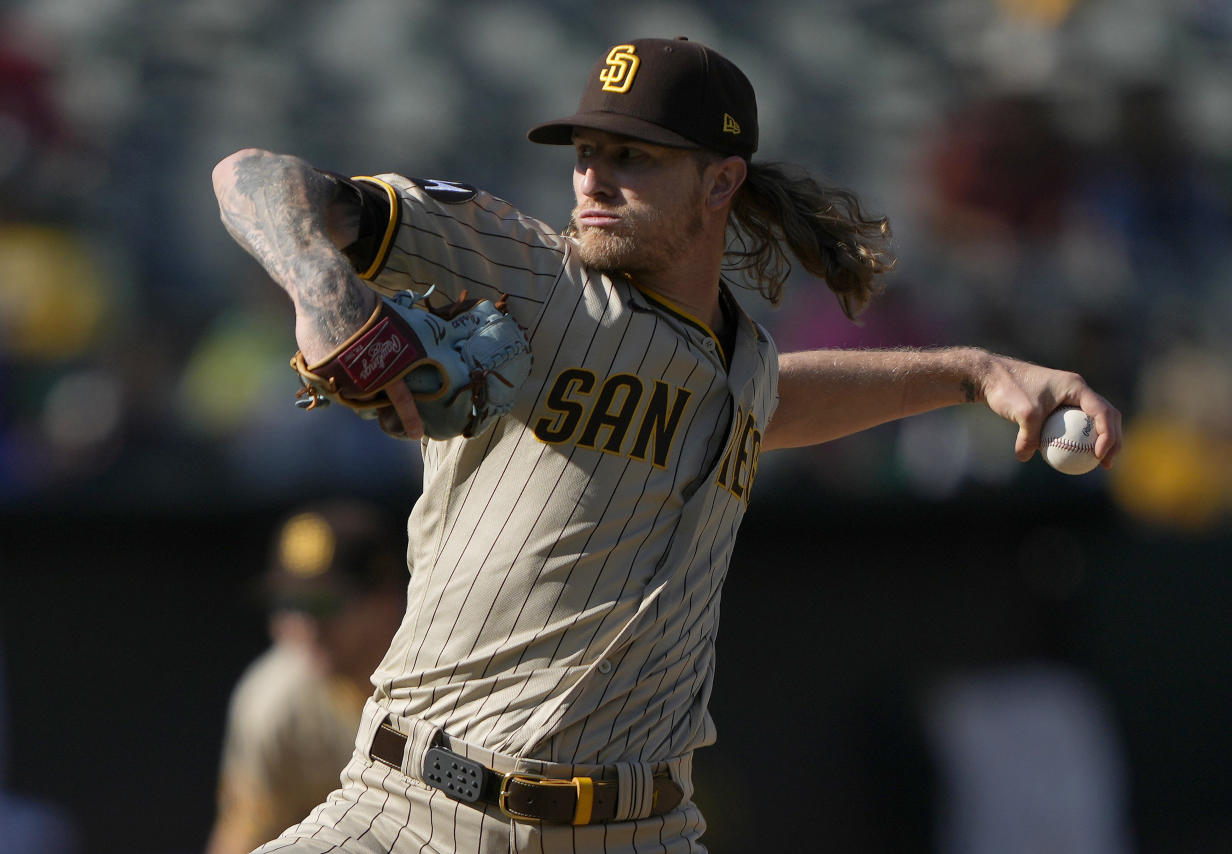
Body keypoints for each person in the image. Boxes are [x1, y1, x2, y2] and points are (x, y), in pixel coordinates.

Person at [211, 36, 1122, 854]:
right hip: (414, 815)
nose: (593, 180)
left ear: (721, 181)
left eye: (633, 158)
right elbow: (253, 178)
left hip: (640, 833)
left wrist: (972, 370)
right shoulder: (532, 274)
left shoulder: (740, 366)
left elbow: (768, 402)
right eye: (586, 154)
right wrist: (325, 289)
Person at [205, 500, 406, 854]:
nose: (304, 626)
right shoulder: (272, 700)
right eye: (289, 605)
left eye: (323, 606)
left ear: (385, 600)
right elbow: (245, 833)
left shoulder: (442, 676)